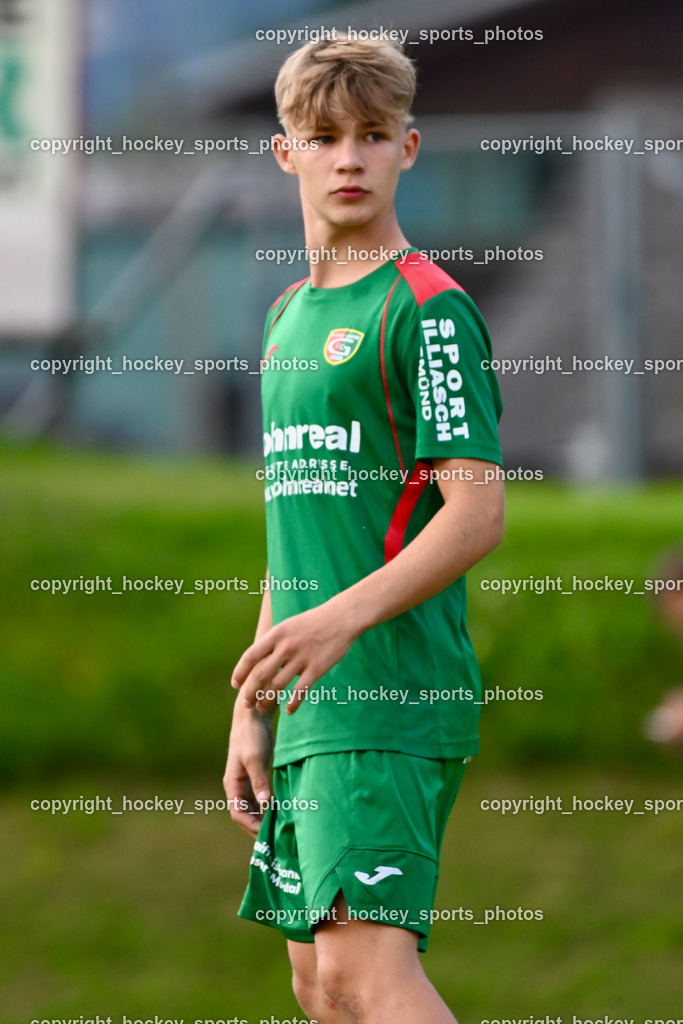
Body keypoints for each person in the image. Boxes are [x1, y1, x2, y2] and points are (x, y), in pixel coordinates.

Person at [224, 35, 504, 1024]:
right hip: (308, 706)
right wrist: (252, 703)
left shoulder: (425, 308)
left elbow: (475, 513)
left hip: (386, 691)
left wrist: (340, 624)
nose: (348, 157)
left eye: (371, 136)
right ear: (285, 152)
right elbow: (294, 524)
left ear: (408, 150)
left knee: (364, 975)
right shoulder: (281, 318)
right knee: (317, 986)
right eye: (324, 136)